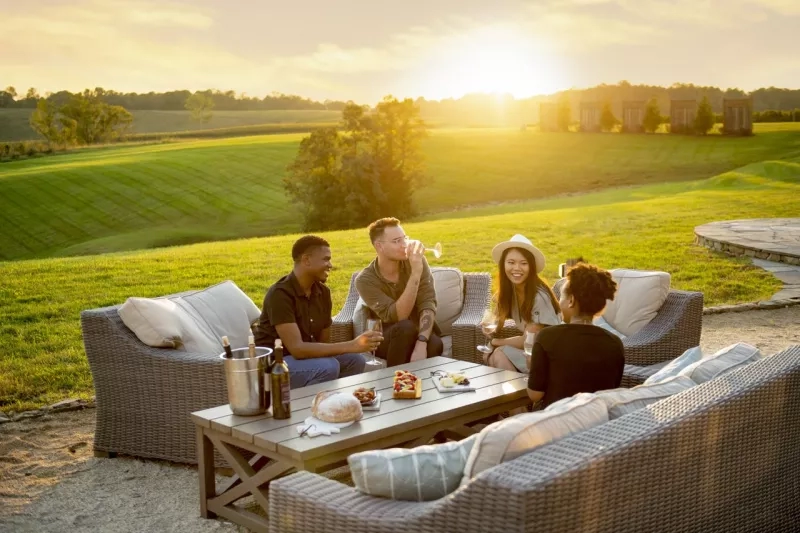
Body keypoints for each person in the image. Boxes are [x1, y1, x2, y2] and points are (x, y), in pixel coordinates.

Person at [255, 235, 382, 389]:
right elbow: (297, 349)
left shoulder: (323, 293)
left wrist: (352, 349)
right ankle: (308, 408)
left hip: (305, 360)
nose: (330, 265)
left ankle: (337, 402)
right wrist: (352, 345)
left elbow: (323, 343)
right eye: (325, 259)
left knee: (356, 360)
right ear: (306, 260)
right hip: (275, 365)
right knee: (328, 367)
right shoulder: (280, 295)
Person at [528, 262, 625, 407]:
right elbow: (611, 390)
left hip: (558, 421)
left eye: (561, 297)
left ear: (571, 301)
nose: (559, 302)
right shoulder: (615, 343)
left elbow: (535, 395)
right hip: (599, 422)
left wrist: (532, 366)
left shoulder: (547, 337)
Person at [355, 217, 444, 367]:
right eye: (397, 241)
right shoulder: (365, 280)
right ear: (379, 246)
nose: (404, 245)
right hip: (387, 338)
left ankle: (419, 388)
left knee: (434, 343)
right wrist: (415, 273)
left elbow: (427, 302)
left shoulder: (417, 261)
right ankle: (394, 383)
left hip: (417, 331)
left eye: (405, 239)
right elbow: (398, 316)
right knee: (405, 327)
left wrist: (421, 342)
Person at [484, 234, 562, 373]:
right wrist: (490, 328)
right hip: (533, 352)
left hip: (552, 355)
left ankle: (521, 393)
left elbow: (529, 340)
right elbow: (494, 319)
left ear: (531, 267)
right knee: (493, 356)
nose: (516, 268)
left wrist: (495, 343)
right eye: (511, 262)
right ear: (503, 265)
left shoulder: (539, 297)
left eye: (523, 263)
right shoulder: (510, 291)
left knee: (499, 353)